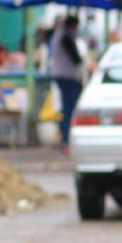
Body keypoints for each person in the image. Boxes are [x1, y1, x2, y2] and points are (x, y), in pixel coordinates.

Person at [48, 15, 89, 149]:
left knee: (66, 107)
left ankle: (64, 136)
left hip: (63, 75)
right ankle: (66, 138)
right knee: (69, 109)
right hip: (68, 76)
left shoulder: (59, 35)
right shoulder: (66, 37)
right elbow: (76, 58)